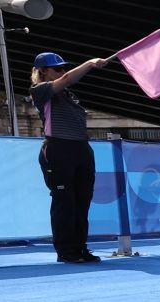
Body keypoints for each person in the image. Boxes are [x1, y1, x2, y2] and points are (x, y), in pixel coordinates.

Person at [29, 52, 108, 263]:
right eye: (57, 68)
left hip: (81, 148)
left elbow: (66, 81)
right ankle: (65, 250)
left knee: (83, 201)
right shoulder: (40, 90)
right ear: (42, 72)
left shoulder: (69, 96)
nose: (62, 72)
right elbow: (67, 79)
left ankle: (80, 247)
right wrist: (90, 62)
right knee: (64, 201)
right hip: (58, 148)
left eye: (64, 68)